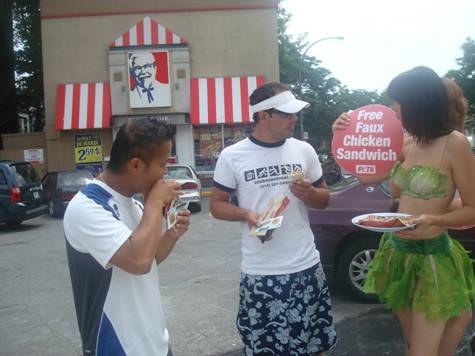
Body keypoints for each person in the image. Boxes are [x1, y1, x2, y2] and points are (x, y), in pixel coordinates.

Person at [333, 66, 475, 356]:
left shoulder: (455, 144)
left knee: (426, 349)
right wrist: (343, 135)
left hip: (432, 258)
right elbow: (365, 175)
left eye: (398, 102)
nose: (393, 108)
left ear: (419, 103)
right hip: (396, 255)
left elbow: (473, 209)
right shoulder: (407, 142)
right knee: (412, 345)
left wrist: (433, 219)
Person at [210, 82, 337, 355]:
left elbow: (324, 200)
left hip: (306, 266)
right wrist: (246, 214)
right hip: (262, 272)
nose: (294, 118)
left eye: (294, 113)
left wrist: (310, 192)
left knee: (314, 346)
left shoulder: (303, 151)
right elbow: (216, 205)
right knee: (266, 348)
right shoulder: (233, 156)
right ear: (264, 115)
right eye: (287, 114)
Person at [64, 118, 190, 356]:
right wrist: (154, 202)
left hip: (155, 342)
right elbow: (138, 262)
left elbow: (150, 259)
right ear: (135, 165)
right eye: (162, 164)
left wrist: (172, 234)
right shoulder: (86, 207)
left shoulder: (133, 203)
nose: (165, 173)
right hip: (116, 345)